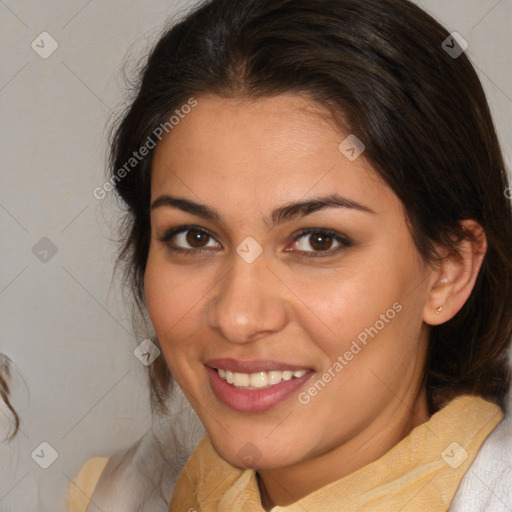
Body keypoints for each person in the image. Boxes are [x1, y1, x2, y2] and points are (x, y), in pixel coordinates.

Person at [67, 0, 512, 510]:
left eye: (318, 241)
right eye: (194, 237)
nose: (237, 317)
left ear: (448, 273)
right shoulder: (107, 496)